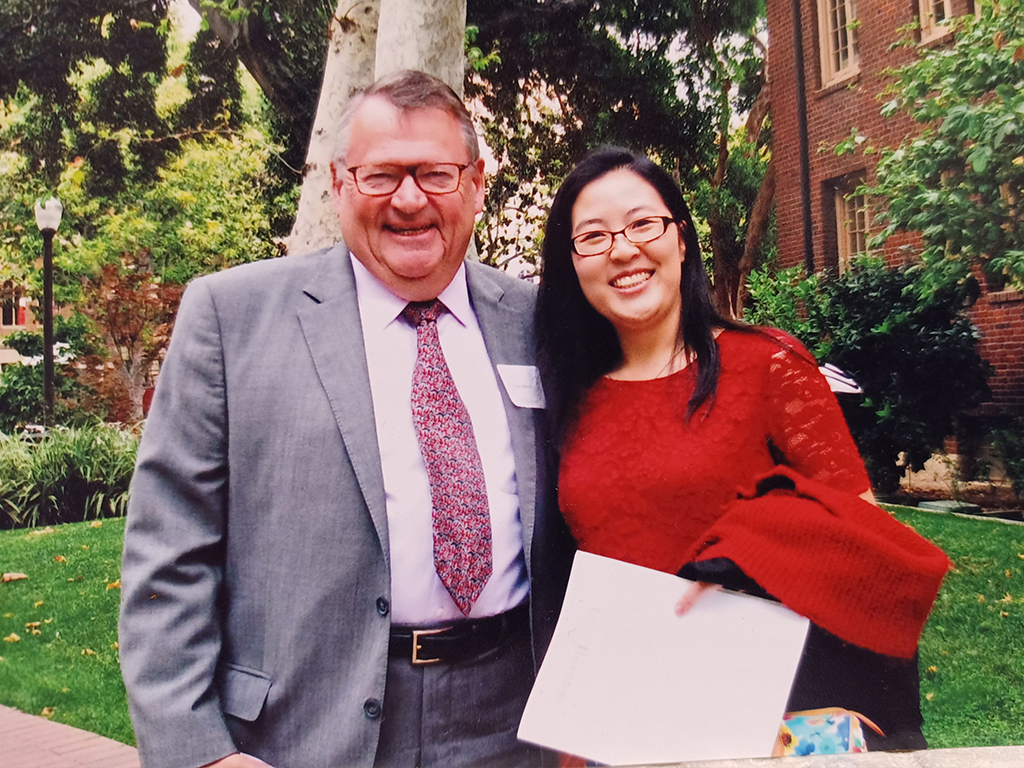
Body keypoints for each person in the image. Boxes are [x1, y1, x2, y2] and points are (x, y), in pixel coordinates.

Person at [119, 70, 571, 768]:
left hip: (511, 720)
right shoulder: (230, 318)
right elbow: (168, 557)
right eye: (381, 175)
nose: (411, 200)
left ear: (478, 184)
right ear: (338, 184)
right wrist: (198, 752)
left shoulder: (537, 322)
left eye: (436, 174)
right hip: (304, 730)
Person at [535, 146, 950, 752]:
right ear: (572, 264)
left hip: (753, 716)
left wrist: (746, 559)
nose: (622, 250)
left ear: (681, 239)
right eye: (592, 237)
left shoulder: (766, 365)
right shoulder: (571, 394)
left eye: (642, 224)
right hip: (612, 719)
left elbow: (865, 538)